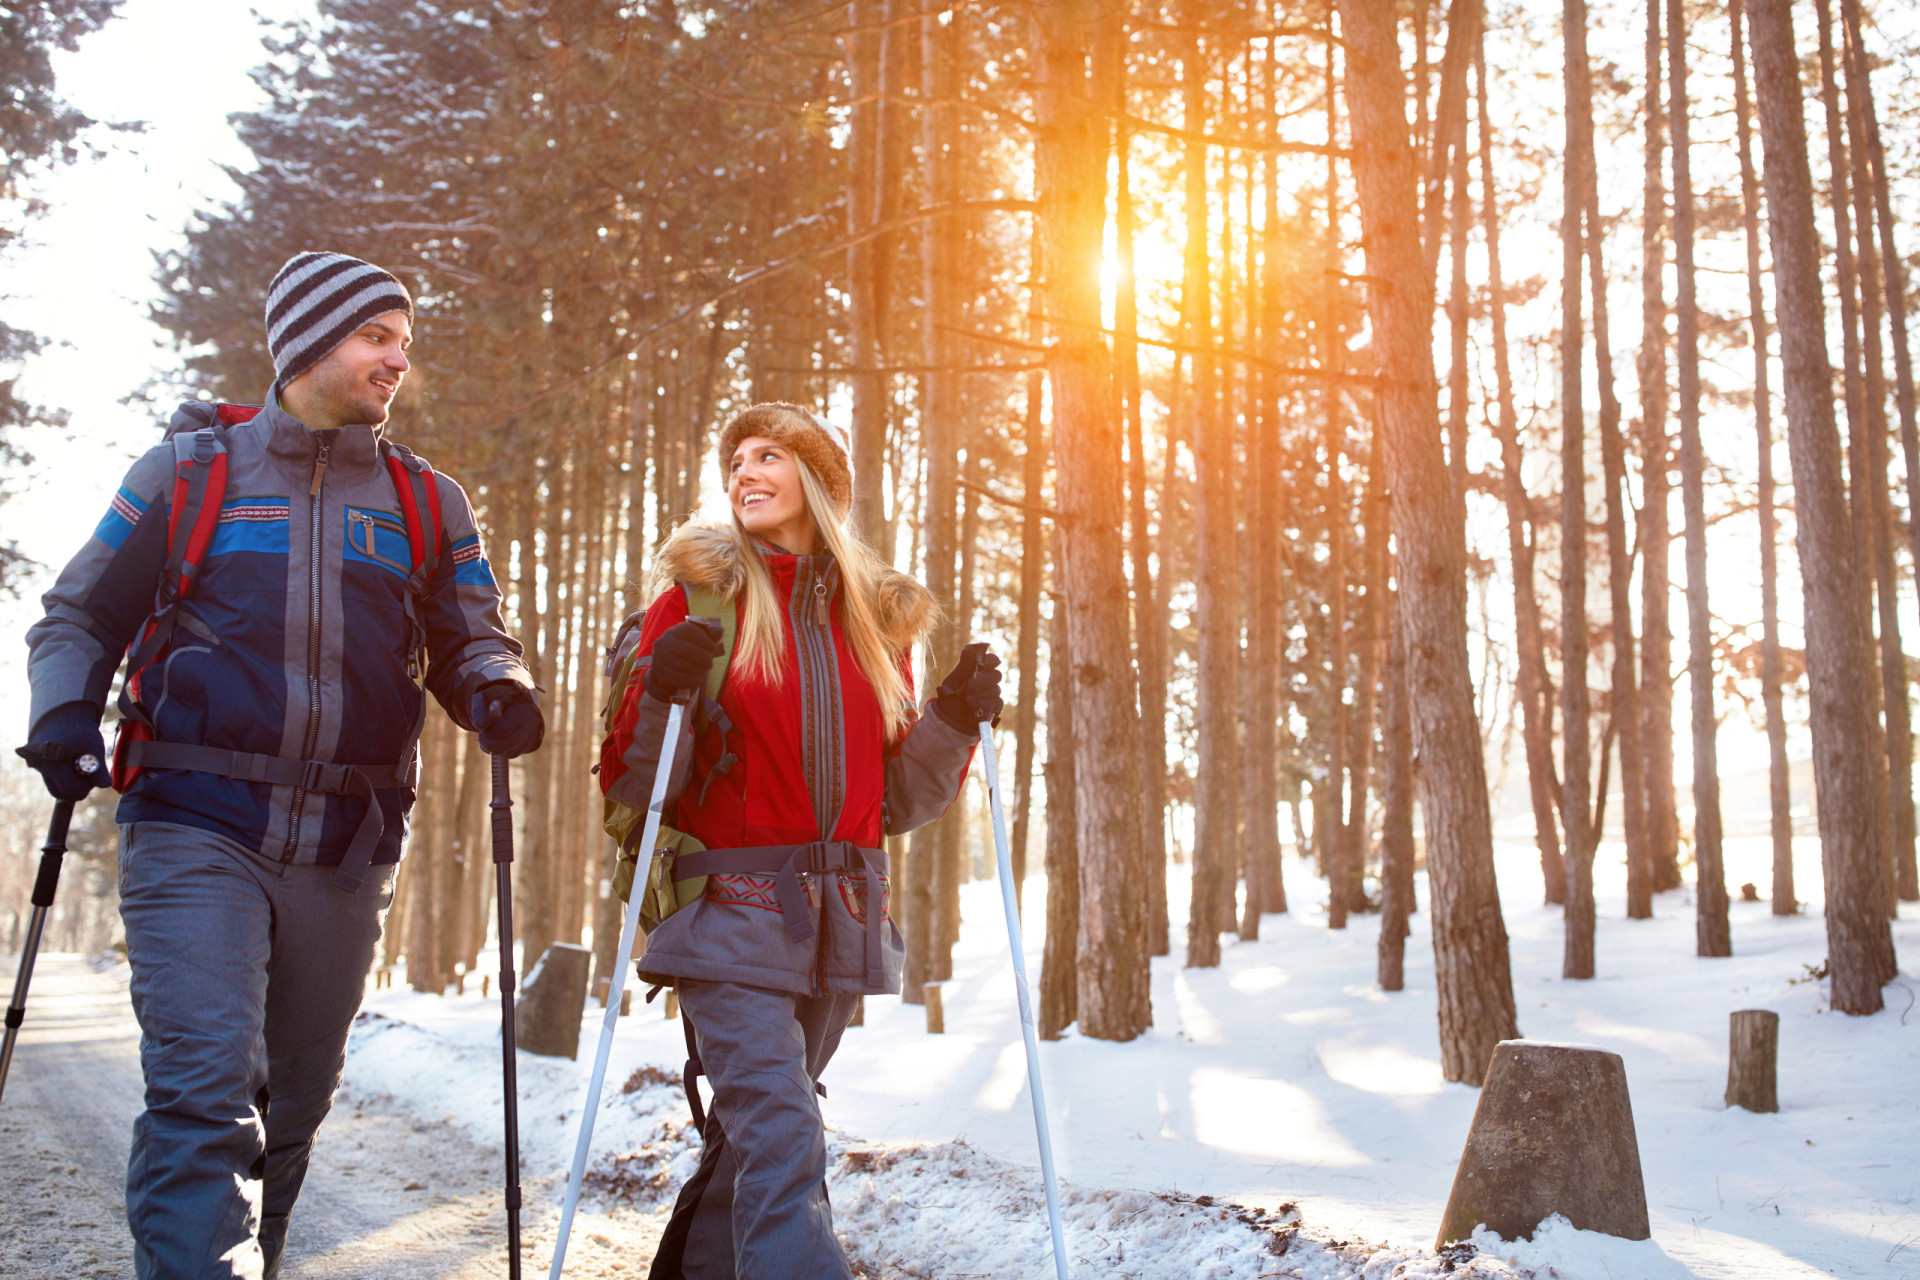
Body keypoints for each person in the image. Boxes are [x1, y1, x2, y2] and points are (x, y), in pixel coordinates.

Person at [18, 251, 541, 1279]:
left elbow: (473, 632)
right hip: (194, 819)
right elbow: (80, 610)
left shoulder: (428, 502)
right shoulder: (187, 473)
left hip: (347, 844)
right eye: (376, 336)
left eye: (404, 339)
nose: (399, 358)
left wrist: (495, 683)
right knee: (207, 1088)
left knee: (290, 1105)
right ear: (309, 341)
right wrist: (66, 708)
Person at [599, 402, 1001, 1279]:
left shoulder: (874, 622)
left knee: (755, 1144)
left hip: (839, 923)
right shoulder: (697, 601)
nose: (744, 470)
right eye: (736, 458)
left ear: (816, 481)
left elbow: (889, 801)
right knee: (783, 1131)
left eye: (768, 455)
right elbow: (637, 781)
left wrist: (952, 721)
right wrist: (664, 693)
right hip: (724, 919)